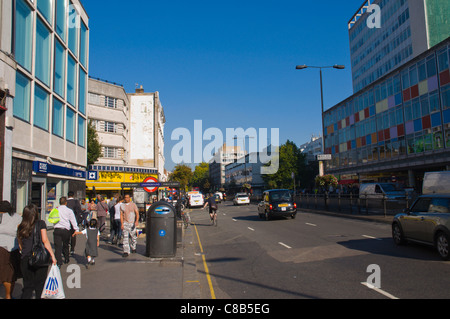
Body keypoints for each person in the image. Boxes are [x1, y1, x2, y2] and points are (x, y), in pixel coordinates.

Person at [17, 205, 56, 299]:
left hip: (25, 258)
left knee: (27, 286)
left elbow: (20, 245)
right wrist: (52, 256)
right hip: (39, 257)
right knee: (40, 286)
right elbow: (45, 240)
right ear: (36, 213)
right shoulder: (41, 223)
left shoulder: (21, 226)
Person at [0, 201, 22, 299]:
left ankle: (8, 295)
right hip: (13, 248)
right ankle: (9, 295)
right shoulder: (17, 217)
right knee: (11, 274)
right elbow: (20, 232)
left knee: (5, 273)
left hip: (1, 247)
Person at [53, 197, 79, 267]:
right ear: (66, 203)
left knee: (57, 246)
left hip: (57, 229)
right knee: (66, 244)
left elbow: (52, 218)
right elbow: (73, 220)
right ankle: (66, 258)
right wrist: (76, 229)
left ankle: (59, 261)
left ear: (59, 202)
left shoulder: (56, 210)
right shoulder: (69, 211)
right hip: (66, 229)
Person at [66, 191, 82, 256]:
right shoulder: (76, 202)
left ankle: (66, 247)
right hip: (74, 221)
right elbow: (79, 211)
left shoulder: (65, 202)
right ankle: (72, 249)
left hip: (66, 221)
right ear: (73, 195)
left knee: (66, 235)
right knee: (73, 235)